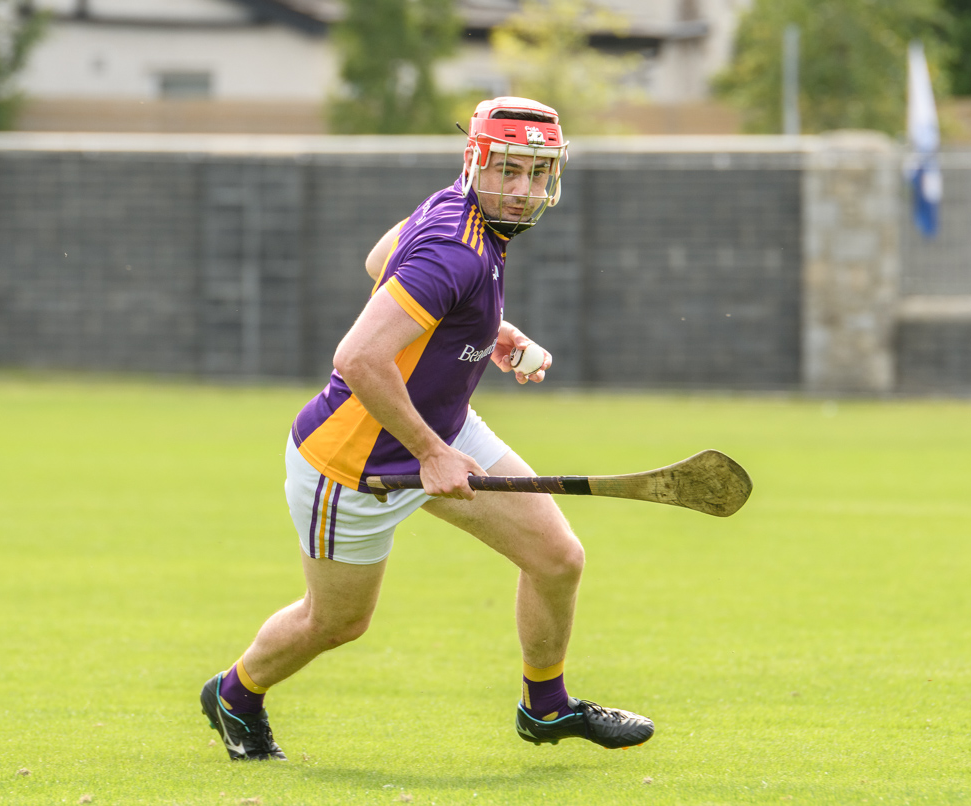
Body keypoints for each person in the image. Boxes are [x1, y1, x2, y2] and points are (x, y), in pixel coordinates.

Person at [199, 97, 654, 760]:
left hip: (441, 432)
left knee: (556, 559)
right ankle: (235, 695)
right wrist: (429, 452)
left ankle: (546, 709)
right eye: (509, 171)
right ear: (476, 162)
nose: (523, 190)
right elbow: (357, 358)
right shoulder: (456, 250)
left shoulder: (460, 211)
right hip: (355, 467)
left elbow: (378, 260)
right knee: (336, 622)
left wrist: (480, 329)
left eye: (536, 172)